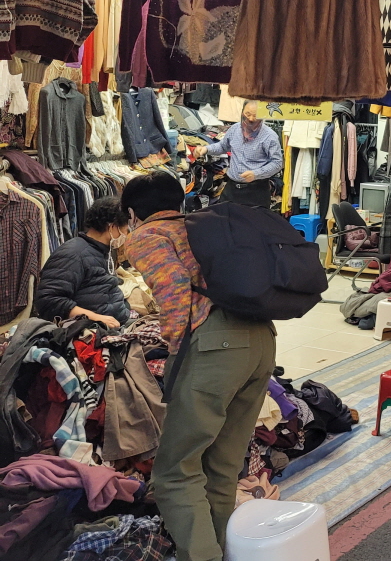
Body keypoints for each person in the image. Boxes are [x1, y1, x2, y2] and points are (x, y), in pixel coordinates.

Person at [122, 170, 275, 561]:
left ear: (132, 214)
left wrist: (176, 347)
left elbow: (173, 288)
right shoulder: (202, 226)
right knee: (222, 466)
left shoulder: (148, 235)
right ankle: (219, 549)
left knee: (175, 471)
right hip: (261, 338)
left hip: (216, 346)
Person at [33, 197, 131, 328]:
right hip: (91, 330)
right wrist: (96, 318)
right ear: (112, 227)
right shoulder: (73, 254)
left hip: (115, 324)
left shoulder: (100, 251)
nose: (126, 235)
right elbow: (48, 300)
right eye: (125, 230)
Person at [194, 100, 282, 206]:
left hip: (256, 191)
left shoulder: (270, 136)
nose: (251, 119)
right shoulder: (235, 129)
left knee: (253, 217)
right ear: (242, 112)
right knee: (223, 215)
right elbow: (222, 146)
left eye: (255, 116)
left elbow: (277, 163)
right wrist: (206, 149)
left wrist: (256, 174)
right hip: (231, 189)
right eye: (248, 114)